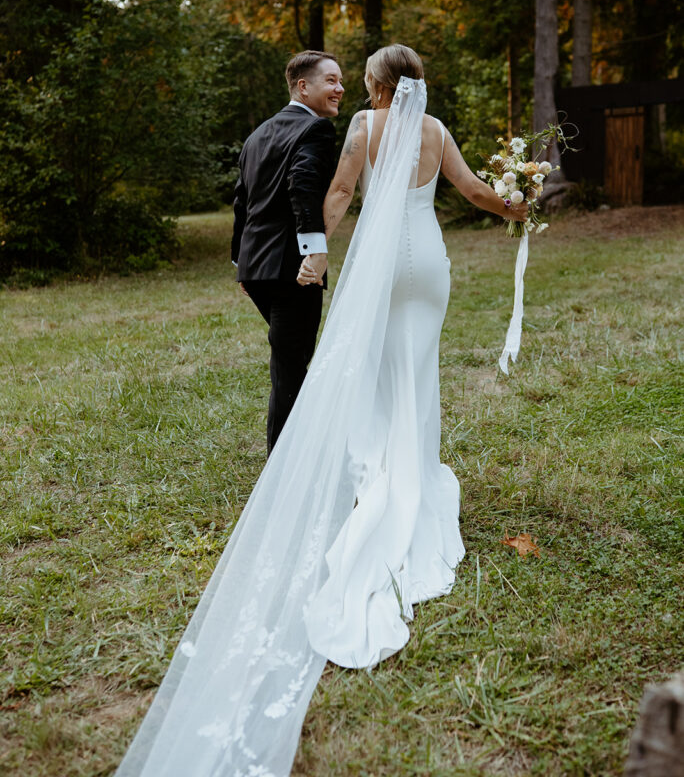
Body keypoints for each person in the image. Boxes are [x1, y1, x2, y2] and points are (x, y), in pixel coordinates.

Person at [115, 45, 527, 777]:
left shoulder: (364, 132)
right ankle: (413, 469)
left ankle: (377, 473)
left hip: (380, 268)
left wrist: (316, 250)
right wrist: (517, 200)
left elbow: (335, 195)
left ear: (374, 85)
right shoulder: (433, 132)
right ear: (418, 86)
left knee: (367, 374)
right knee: (417, 371)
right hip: (427, 264)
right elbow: (472, 193)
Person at [231, 49, 343, 453]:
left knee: (290, 358)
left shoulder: (257, 134)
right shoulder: (315, 131)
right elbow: (302, 185)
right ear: (303, 86)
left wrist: (239, 263)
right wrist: (314, 250)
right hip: (293, 269)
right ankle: (282, 463)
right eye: (330, 80)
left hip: (257, 269)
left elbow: (241, 201)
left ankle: (301, 446)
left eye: (341, 80)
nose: (340, 88)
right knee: (291, 367)